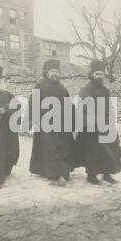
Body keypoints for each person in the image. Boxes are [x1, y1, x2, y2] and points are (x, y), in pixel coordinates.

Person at [75, 60, 121, 185]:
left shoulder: (105, 90)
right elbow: (85, 106)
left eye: (101, 74)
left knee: (111, 149)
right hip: (91, 126)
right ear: (91, 75)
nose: (99, 76)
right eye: (97, 74)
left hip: (106, 124)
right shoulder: (85, 89)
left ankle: (107, 174)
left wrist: (110, 120)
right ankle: (91, 176)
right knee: (92, 150)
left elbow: (109, 106)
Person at [28, 59, 75, 187]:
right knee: (49, 149)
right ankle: (55, 173)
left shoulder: (62, 88)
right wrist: (32, 120)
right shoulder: (40, 86)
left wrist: (73, 121)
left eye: (57, 71)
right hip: (45, 125)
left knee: (63, 148)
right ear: (46, 73)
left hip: (62, 126)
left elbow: (69, 106)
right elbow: (33, 104)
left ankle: (61, 172)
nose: (55, 74)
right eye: (52, 71)